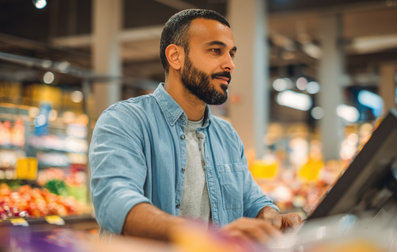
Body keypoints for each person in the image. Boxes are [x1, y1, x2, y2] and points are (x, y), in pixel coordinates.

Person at [89, 9, 302, 243]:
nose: (230, 64)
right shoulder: (125, 121)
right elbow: (114, 201)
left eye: (231, 54)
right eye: (215, 51)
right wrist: (198, 234)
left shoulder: (226, 135)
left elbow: (252, 201)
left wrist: (271, 216)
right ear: (175, 57)